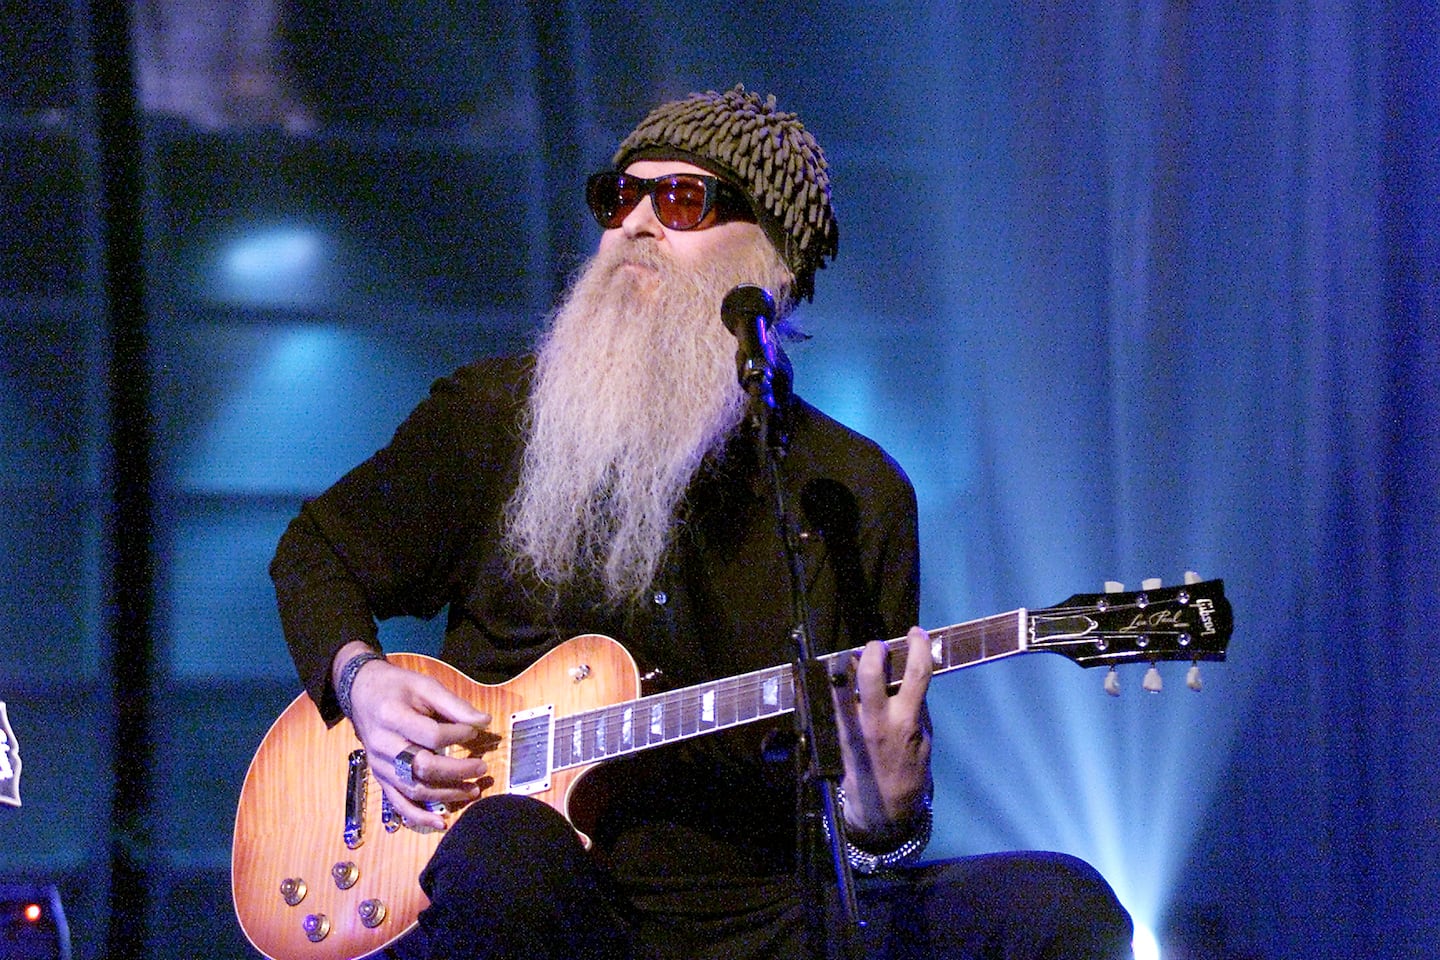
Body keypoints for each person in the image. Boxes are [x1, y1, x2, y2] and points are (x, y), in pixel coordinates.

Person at [271, 84, 1133, 960]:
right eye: (620, 198)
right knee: (504, 854)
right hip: (547, 900)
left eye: (682, 200)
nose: (636, 224)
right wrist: (361, 683)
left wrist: (887, 818)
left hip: (764, 915)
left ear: (774, 264)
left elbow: (867, 836)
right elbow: (316, 554)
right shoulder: (496, 417)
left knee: (1062, 908)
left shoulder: (853, 492)